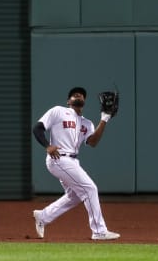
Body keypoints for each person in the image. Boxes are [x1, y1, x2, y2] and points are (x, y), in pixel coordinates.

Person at [31, 86, 120, 240]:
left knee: (75, 196)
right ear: (68, 101)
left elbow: (92, 142)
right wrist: (47, 145)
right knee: (90, 189)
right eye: (74, 94)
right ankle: (99, 231)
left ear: (84, 101)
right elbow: (37, 128)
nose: (77, 95)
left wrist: (104, 118)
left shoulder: (87, 123)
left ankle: (43, 216)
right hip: (59, 158)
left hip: (72, 161)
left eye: (81, 95)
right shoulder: (58, 111)